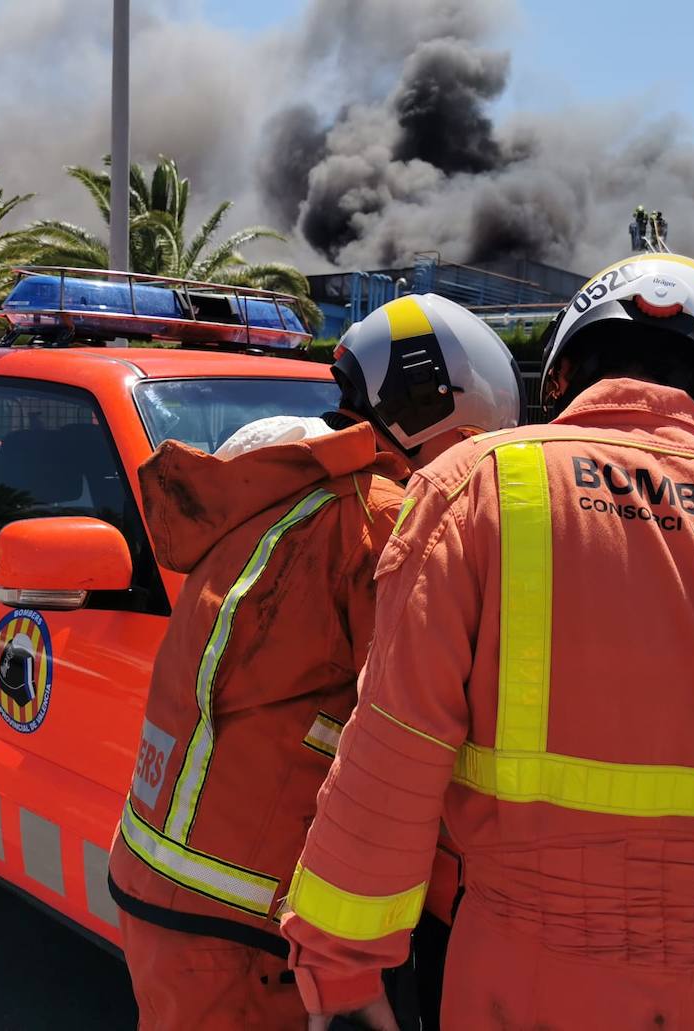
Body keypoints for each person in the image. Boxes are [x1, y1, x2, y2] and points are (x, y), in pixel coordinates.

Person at [281, 253, 694, 1030]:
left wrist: (341, 974)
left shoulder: (483, 484)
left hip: (527, 968)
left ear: (561, 372)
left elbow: (394, 752)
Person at [106, 293, 525, 1030]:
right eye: (473, 445)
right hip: (250, 923)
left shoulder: (287, 492)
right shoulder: (382, 519)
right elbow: (431, 717)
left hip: (176, 893)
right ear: (434, 418)